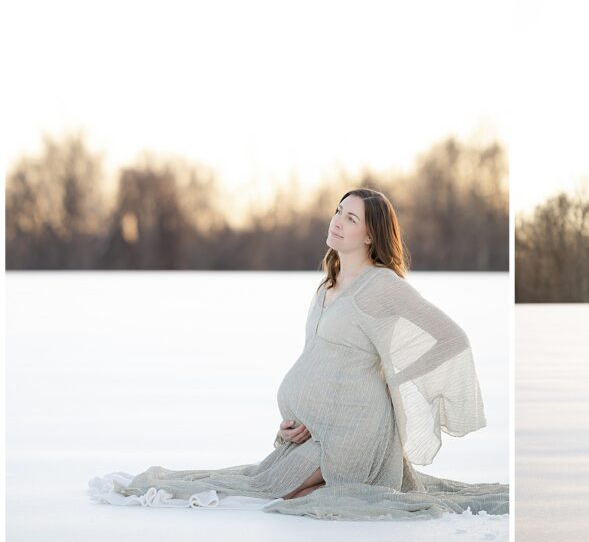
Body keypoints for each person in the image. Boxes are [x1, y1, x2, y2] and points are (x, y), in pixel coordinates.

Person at [89, 187, 508, 519]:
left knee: (280, 498)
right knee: (258, 484)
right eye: (337, 212)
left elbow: (452, 339)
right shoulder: (327, 287)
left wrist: (397, 380)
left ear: (370, 234)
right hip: (317, 428)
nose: (338, 222)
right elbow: (316, 360)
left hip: (356, 432)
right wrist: (290, 422)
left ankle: (336, 478)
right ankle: (317, 473)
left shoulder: (382, 286)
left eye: (351, 218)